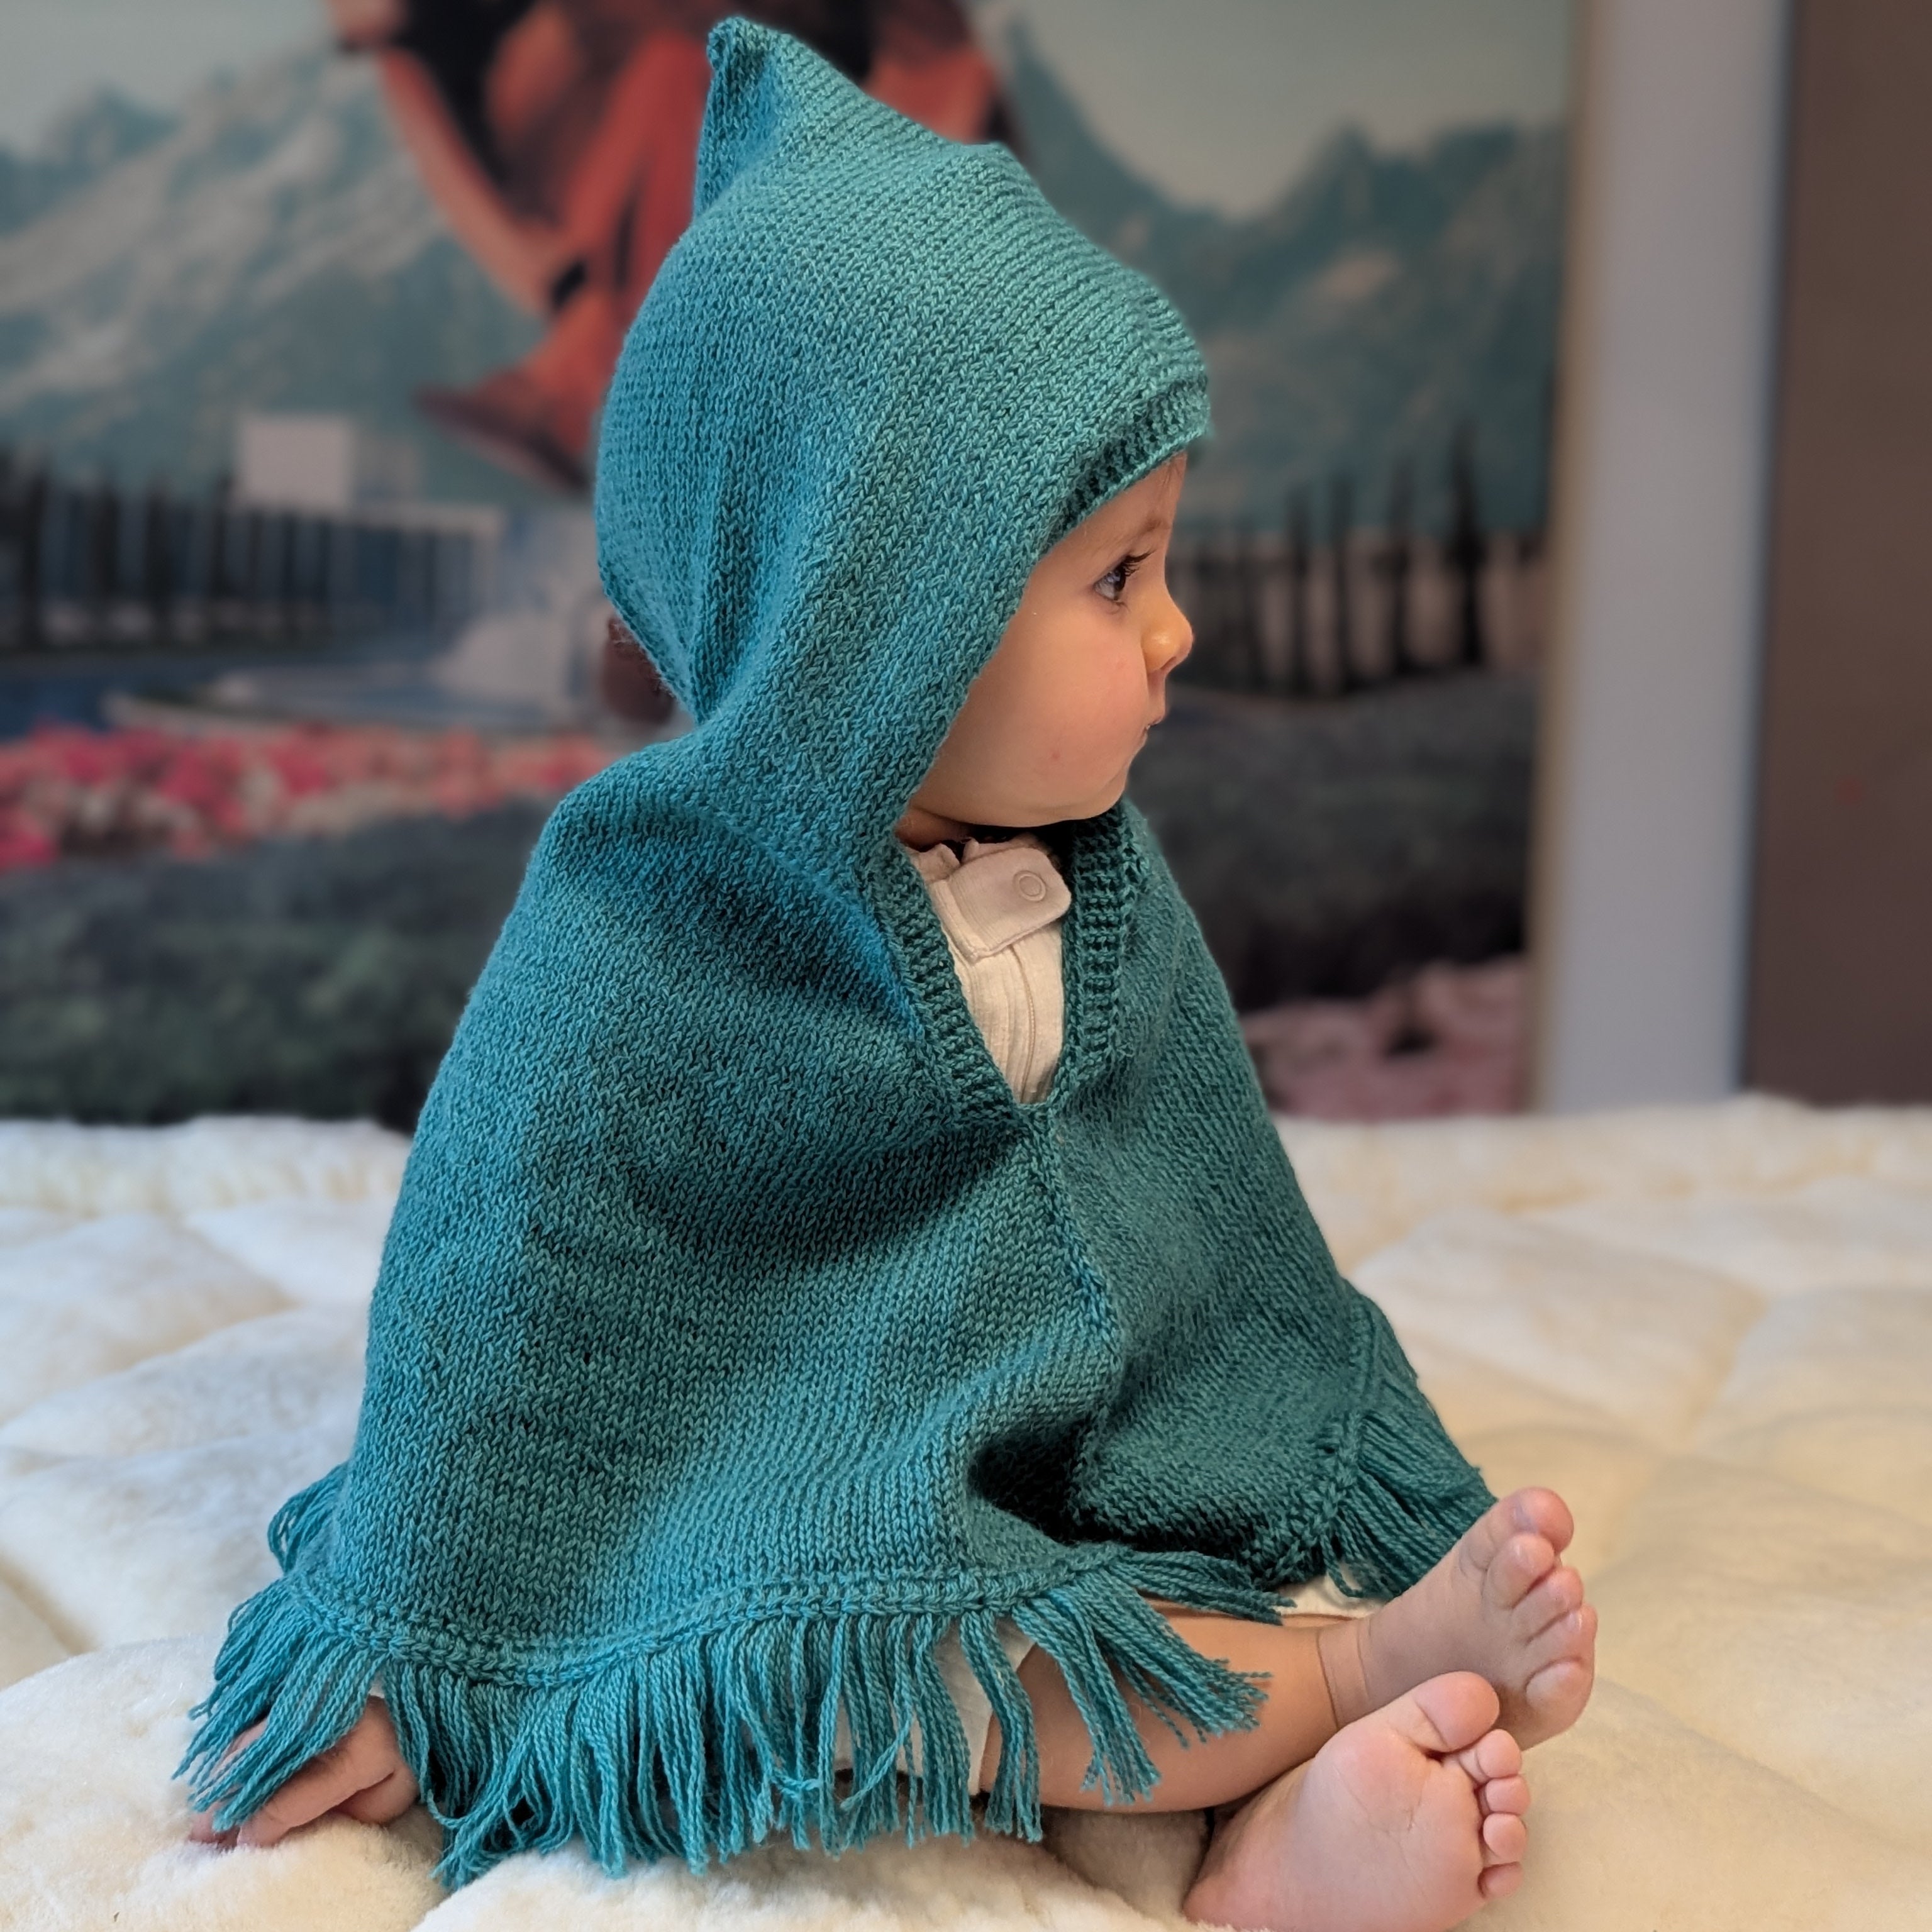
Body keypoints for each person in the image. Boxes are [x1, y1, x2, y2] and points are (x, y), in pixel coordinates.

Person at [182, 26, 1596, 1931]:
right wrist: (420, 1630)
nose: (1177, 632)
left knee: (1167, 1566)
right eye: (1118, 579)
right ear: (875, 622)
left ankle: (1291, 1817)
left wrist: (1237, 1405)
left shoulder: (1097, 887)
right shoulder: (641, 939)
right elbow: (496, 1292)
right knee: (944, 1669)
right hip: (798, 1475)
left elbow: (1201, 1208)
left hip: (1055, 1432)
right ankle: (1338, 1698)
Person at [324, 0, 1011, 492]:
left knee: (681, 71)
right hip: (585, 199)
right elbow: (392, 48)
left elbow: (945, 93)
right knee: (669, 72)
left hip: (748, 215)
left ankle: (576, 380)